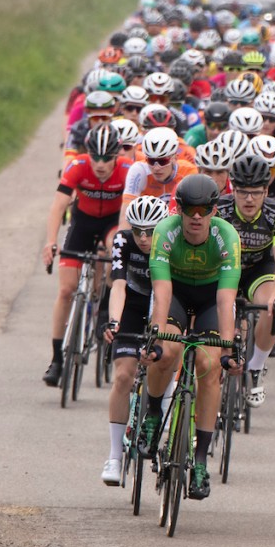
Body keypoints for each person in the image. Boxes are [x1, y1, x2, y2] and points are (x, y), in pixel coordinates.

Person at [136, 175, 242, 501]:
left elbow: (226, 298)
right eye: (190, 209)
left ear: (214, 211)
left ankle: (199, 461)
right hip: (177, 295)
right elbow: (162, 290)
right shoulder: (164, 232)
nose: (197, 216)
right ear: (179, 209)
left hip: (211, 298)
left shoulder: (227, 236)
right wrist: (155, 338)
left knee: (210, 368)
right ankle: (153, 414)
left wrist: (228, 347)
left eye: (205, 209)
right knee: (167, 353)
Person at [42, 126, 131, 385]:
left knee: (115, 245)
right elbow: (58, 206)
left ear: (116, 155)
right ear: (88, 153)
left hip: (111, 224)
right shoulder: (78, 165)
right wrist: (50, 242)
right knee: (66, 290)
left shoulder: (126, 170)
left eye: (107, 158)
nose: (101, 164)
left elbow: (130, 211)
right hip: (82, 224)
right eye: (96, 157)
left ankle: (104, 307)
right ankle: (57, 359)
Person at [100, 196, 169, 484]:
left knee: (165, 369)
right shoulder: (123, 240)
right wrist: (114, 320)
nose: (143, 238)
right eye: (138, 230)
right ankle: (114, 456)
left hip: (162, 304)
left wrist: (157, 334)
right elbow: (118, 285)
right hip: (130, 305)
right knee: (123, 376)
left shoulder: (170, 243)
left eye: (150, 231)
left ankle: (163, 433)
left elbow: (166, 294)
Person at [216, 155, 275, 406]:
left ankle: (255, 367)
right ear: (233, 189)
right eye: (243, 192)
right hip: (224, 267)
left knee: (272, 308)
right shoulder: (220, 209)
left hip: (258, 270)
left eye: (256, 193)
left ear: (266, 191)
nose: (249, 199)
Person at [119, 127, 196, 228]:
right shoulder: (139, 170)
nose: (156, 168)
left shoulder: (189, 172)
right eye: (151, 161)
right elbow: (125, 216)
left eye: (163, 161)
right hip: (145, 229)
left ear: (175, 157)